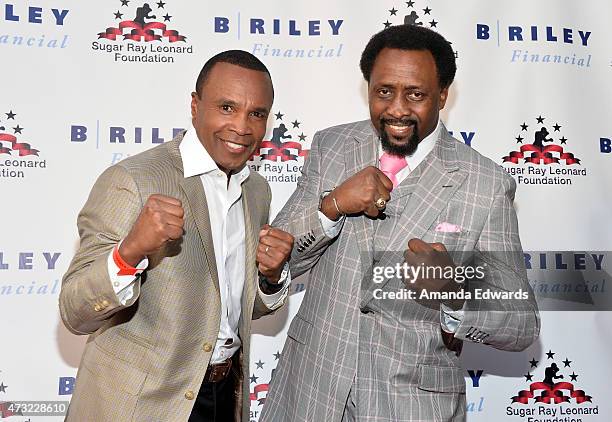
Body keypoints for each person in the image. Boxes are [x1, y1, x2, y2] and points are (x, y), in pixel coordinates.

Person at [261, 24, 539, 422]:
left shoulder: (486, 184)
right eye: (383, 91)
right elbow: (282, 257)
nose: (396, 109)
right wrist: (333, 205)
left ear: (443, 94)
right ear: (368, 88)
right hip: (310, 391)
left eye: (416, 94)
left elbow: (522, 324)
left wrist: (454, 294)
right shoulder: (332, 146)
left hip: (411, 407)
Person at [59, 50, 294, 422]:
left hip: (224, 396)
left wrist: (270, 276)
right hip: (141, 406)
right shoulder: (133, 181)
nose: (242, 127)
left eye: (257, 114)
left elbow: (232, 309)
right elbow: (75, 311)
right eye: (227, 107)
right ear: (195, 106)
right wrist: (130, 252)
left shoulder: (257, 191)